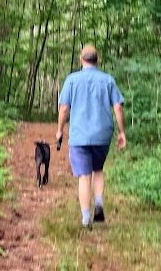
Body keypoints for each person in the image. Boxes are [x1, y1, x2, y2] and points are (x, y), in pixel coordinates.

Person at [56, 45, 126, 228]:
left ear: (81, 59)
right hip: (102, 135)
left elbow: (64, 108)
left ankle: (86, 218)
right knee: (98, 169)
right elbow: (118, 106)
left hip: (79, 135)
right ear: (97, 60)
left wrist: (59, 130)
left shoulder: (72, 80)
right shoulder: (108, 80)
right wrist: (122, 132)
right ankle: (99, 203)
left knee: (84, 176)